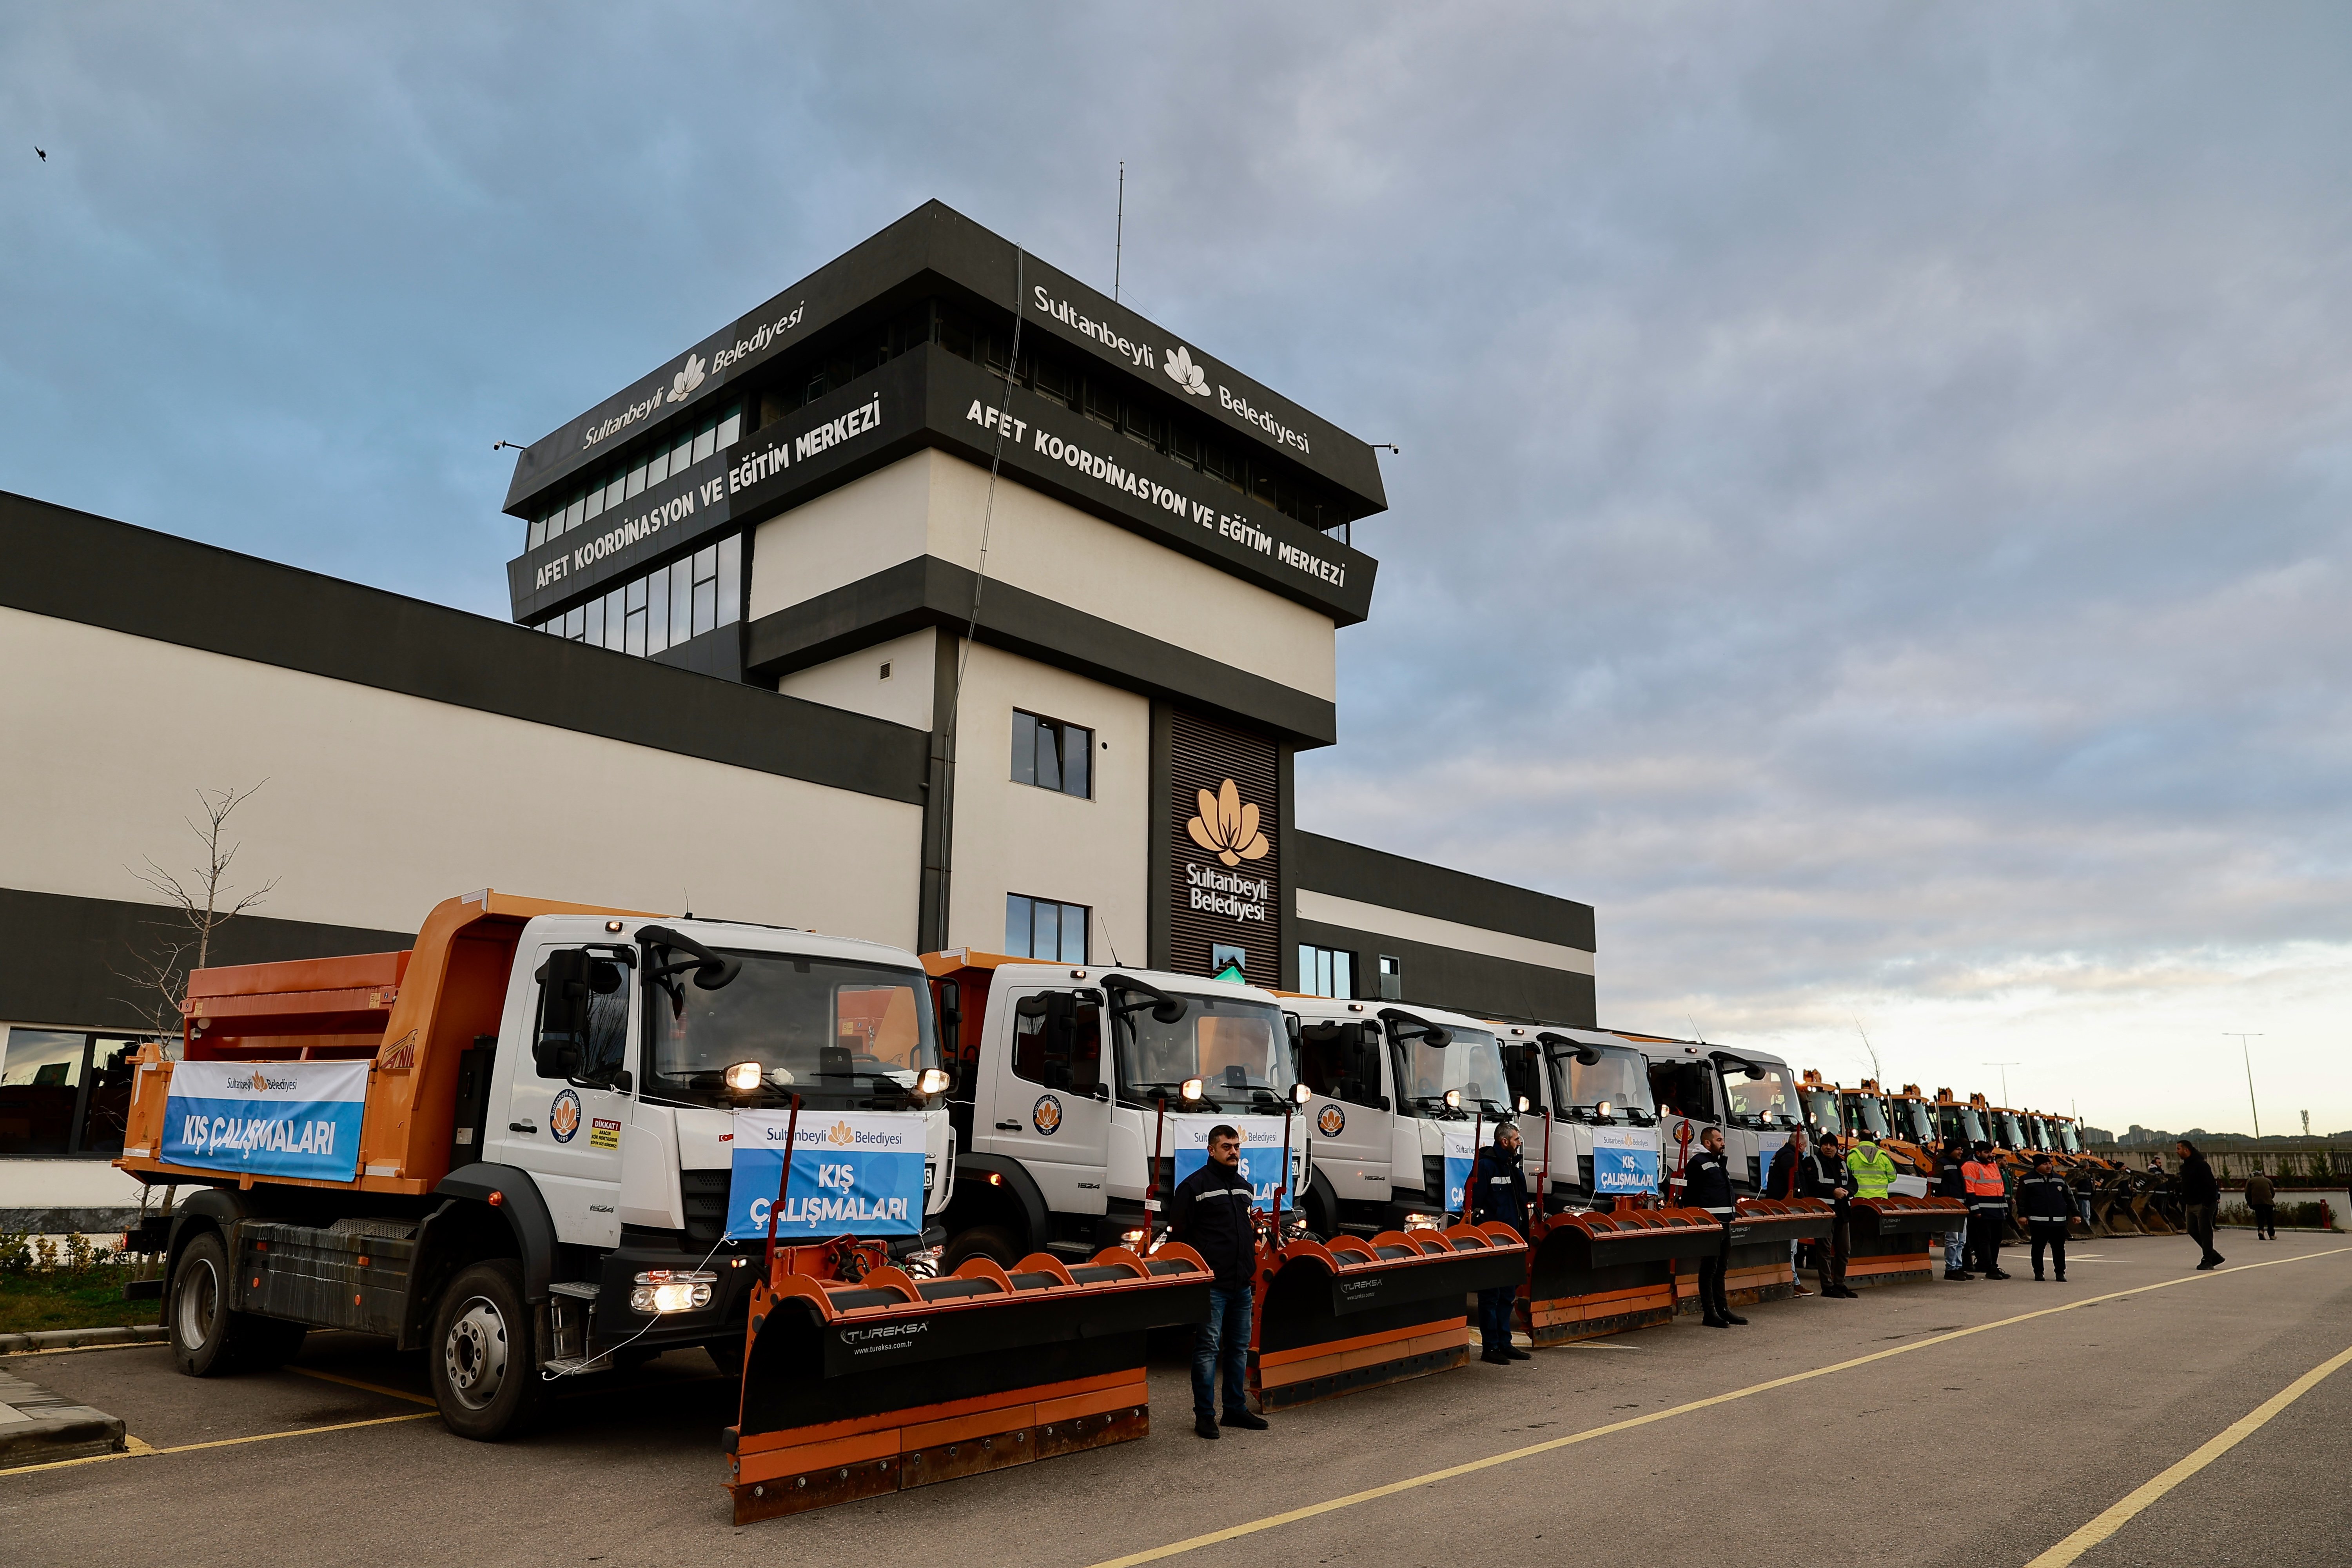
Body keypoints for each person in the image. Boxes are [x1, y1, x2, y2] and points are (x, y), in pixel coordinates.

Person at [1167, 1123, 1269, 1437]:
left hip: (1240, 1284)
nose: (1234, 1152)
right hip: (1212, 1286)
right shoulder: (1193, 1187)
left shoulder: (1243, 1187)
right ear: (1211, 1150)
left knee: (1238, 1349)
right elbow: (1180, 1235)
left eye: (1237, 1146)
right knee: (1208, 1350)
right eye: (1227, 1147)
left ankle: (1235, 1411)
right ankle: (1205, 1416)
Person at [1466, 1121, 1532, 1363]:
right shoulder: (1484, 1168)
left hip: (1512, 1244)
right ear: (1504, 1142)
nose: (1519, 1143)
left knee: (1507, 1295)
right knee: (1490, 1297)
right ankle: (1490, 1348)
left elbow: (1520, 1209)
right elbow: (1475, 1206)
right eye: (1516, 1139)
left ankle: (1505, 1343)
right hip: (1491, 1245)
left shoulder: (1514, 1171)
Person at [1685, 1126, 1746, 1327]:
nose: (1724, 1143)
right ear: (1708, 1143)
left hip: (1725, 1223)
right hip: (1711, 1225)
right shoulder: (1698, 1163)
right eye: (1719, 1140)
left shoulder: (1717, 1163)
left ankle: (1723, 1309)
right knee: (1709, 1269)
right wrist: (1700, 1222)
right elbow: (1691, 1196)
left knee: (1721, 1269)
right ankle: (1709, 1312)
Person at [1798, 1130, 1857, 1298]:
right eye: (1826, 1144)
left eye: (1832, 1145)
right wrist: (1833, 1192)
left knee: (1844, 1250)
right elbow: (1811, 1183)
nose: (1829, 1148)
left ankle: (1840, 1283)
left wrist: (1848, 1191)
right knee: (1824, 1251)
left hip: (1843, 1213)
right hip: (1825, 1213)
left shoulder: (1843, 1164)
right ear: (1821, 1146)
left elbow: (1854, 1183)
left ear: (1837, 1148)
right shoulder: (1812, 1162)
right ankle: (1827, 1286)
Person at [2016, 1153, 2073, 1282]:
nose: (2049, 1166)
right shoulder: (2027, 1179)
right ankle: (2039, 1272)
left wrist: (2075, 1214)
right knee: (2038, 1248)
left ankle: (2060, 1273)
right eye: (2045, 1164)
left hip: (2058, 1221)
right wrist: (2022, 1215)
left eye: (2050, 1164)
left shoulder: (2059, 1179)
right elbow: (2021, 1199)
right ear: (2037, 1166)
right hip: (2038, 1221)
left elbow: (2069, 1197)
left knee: (2059, 1249)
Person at [1962, 1141, 2011, 1279]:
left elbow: (2000, 1187)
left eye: (1991, 1152)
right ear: (1978, 1153)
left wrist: (2005, 1207)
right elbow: (1969, 1188)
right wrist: (1975, 1209)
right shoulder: (1970, 1166)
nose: (1990, 1155)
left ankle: (1993, 1266)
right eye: (1987, 1153)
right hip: (1983, 1210)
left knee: (1997, 1239)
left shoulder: (1993, 1166)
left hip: (1997, 1209)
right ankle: (1989, 1268)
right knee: (1985, 1240)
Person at [2177, 1139, 2224, 1270]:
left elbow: (2210, 1186)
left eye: (2179, 1149)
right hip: (2190, 1204)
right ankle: (2214, 1255)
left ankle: (2208, 1260)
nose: (2177, 1152)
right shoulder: (2185, 1167)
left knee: (2205, 1232)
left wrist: (2206, 1205)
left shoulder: (2201, 1165)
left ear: (2187, 1150)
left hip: (2203, 1204)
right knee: (2192, 1230)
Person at [1935, 1135, 1974, 1280]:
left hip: (1961, 1205)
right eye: (1958, 1149)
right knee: (1953, 1239)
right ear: (1951, 1150)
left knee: (1961, 1240)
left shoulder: (1958, 1164)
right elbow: (1935, 1183)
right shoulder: (1942, 1163)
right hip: (1950, 1205)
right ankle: (1951, 1269)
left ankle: (1958, 1267)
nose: (1961, 1152)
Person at [2245, 1169, 2277, 1240]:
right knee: (2270, 1218)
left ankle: (2261, 1231)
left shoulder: (2250, 1181)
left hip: (2257, 1202)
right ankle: (2272, 1235)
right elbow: (2273, 1192)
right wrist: (2269, 1199)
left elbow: (2247, 1194)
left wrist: (2250, 1203)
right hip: (2268, 1202)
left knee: (2260, 1217)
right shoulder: (2268, 1181)